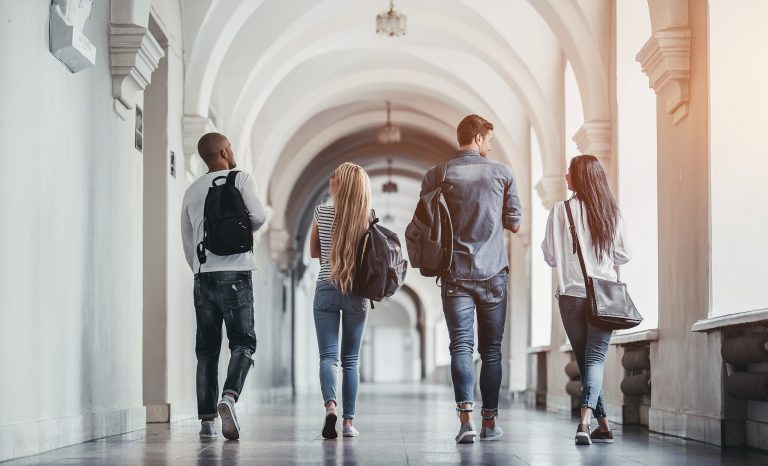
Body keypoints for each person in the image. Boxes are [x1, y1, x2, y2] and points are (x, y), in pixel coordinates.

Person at [420, 115, 522, 444]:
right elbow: (515, 223)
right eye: (489, 140)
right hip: (493, 274)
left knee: (460, 347)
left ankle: (466, 421)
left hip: (454, 273)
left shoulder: (437, 174)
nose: (491, 146)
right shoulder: (502, 172)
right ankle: (490, 423)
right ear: (477, 139)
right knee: (491, 351)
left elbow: (426, 222)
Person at [181, 132, 267, 440]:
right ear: (224, 150)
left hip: (203, 276)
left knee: (206, 350)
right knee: (243, 342)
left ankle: (206, 422)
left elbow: (188, 241)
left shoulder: (191, 190)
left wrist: (201, 267)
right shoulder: (240, 179)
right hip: (237, 273)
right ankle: (228, 398)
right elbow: (259, 217)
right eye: (229, 145)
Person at [541, 154, 631, 445]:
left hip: (570, 297)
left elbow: (551, 257)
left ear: (580, 177)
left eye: (569, 172)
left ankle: (590, 423)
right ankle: (594, 423)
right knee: (592, 360)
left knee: (586, 361)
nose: (566, 176)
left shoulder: (559, 211)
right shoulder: (611, 212)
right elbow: (624, 255)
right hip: (604, 296)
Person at [309, 162, 372, 439]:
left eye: (333, 176)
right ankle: (348, 423)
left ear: (341, 185)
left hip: (326, 286)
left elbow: (314, 252)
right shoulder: (366, 217)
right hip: (356, 292)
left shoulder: (320, 211)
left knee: (328, 357)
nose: (329, 178)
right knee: (351, 361)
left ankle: (330, 407)